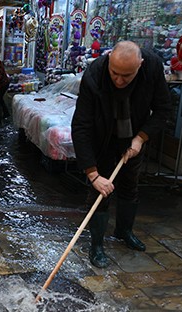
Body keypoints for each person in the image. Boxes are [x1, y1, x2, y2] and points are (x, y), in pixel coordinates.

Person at [71, 41, 172, 268]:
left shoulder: (153, 68)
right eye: (115, 73)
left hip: (133, 136)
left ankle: (124, 231)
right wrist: (93, 174)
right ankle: (96, 245)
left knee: (130, 184)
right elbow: (81, 125)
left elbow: (164, 108)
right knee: (101, 192)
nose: (119, 80)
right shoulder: (94, 74)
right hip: (102, 137)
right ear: (108, 60)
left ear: (140, 65)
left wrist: (141, 137)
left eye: (126, 76)